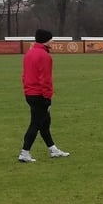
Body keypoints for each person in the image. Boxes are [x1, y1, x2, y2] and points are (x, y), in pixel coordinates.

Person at [18, 29, 70, 162]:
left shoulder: (29, 53)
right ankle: (24, 152)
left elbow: (24, 75)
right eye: (51, 39)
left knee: (45, 123)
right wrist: (47, 97)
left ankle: (53, 149)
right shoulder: (44, 56)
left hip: (30, 93)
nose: (53, 41)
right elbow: (45, 79)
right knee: (35, 124)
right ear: (45, 40)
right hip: (39, 94)